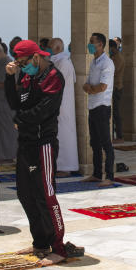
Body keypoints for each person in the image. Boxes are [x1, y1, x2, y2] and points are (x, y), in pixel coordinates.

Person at [5, 40, 74, 264]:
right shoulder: (27, 76)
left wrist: (19, 120)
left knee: (45, 194)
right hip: (26, 142)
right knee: (26, 194)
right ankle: (40, 242)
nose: (23, 67)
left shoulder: (53, 76)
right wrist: (9, 77)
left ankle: (58, 247)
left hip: (42, 142)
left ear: (36, 57)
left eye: (24, 63)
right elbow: (15, 103)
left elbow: (44, 110)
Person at [82, 33, 115, 187]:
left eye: (92, 42)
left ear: (100, 45)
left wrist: (91, 89)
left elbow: (102, 87)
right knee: (94, 142)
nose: (89, 44)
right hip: (92, 106)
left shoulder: (107, 63)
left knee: (105, 143)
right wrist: (90, 89)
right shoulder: (94, 62)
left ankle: (109, 175)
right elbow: (86, 85)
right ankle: (96, 173)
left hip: (102, 106)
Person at [49, 38, 79, 175]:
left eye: (50, 47)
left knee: (65, 133)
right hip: (57, 103)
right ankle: (58, 165)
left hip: (64, 104)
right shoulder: (56, 61)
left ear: (57, 48)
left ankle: (66, 167)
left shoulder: (64, 62)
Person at [109, 38, 125, 142]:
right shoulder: (114, 57)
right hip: (114, 86)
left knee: (116, 113)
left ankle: (120, 136)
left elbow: (112, 71)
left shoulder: (118, 58)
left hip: (116, 87)